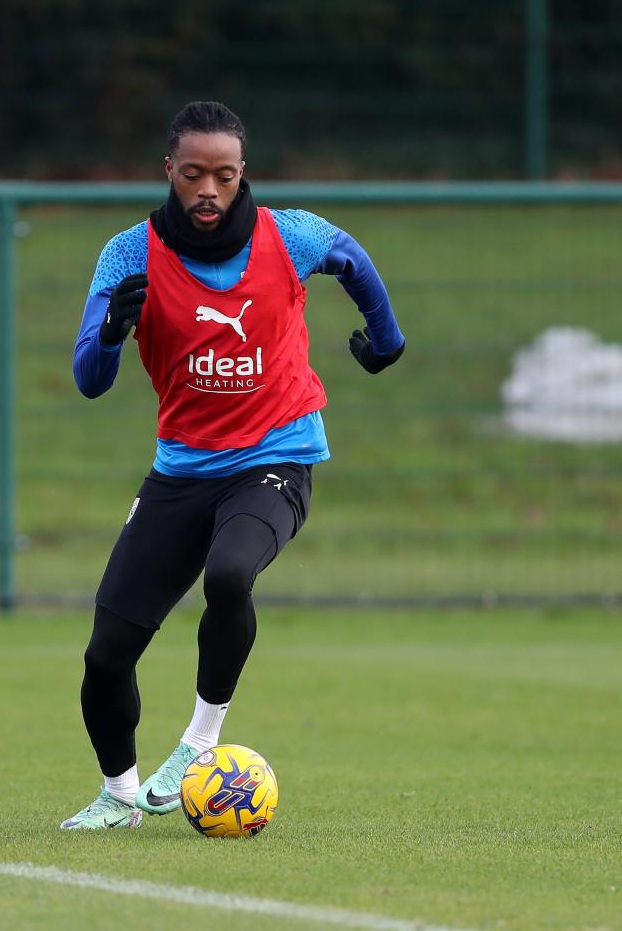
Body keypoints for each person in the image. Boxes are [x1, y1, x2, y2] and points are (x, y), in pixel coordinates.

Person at [61, 102, 405, 830]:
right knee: (106, 654)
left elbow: (354, 259)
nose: (208, 190)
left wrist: (386, 340)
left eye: (223, 174)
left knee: (229, 574)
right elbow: (89, 379)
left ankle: (198, 743)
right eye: (193, 175)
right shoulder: (129, 254)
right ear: (169, 173)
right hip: (181, 473)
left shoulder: (291, 234)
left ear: (242, 172)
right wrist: (114, 332)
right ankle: (118, 796)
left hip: (276, 458)